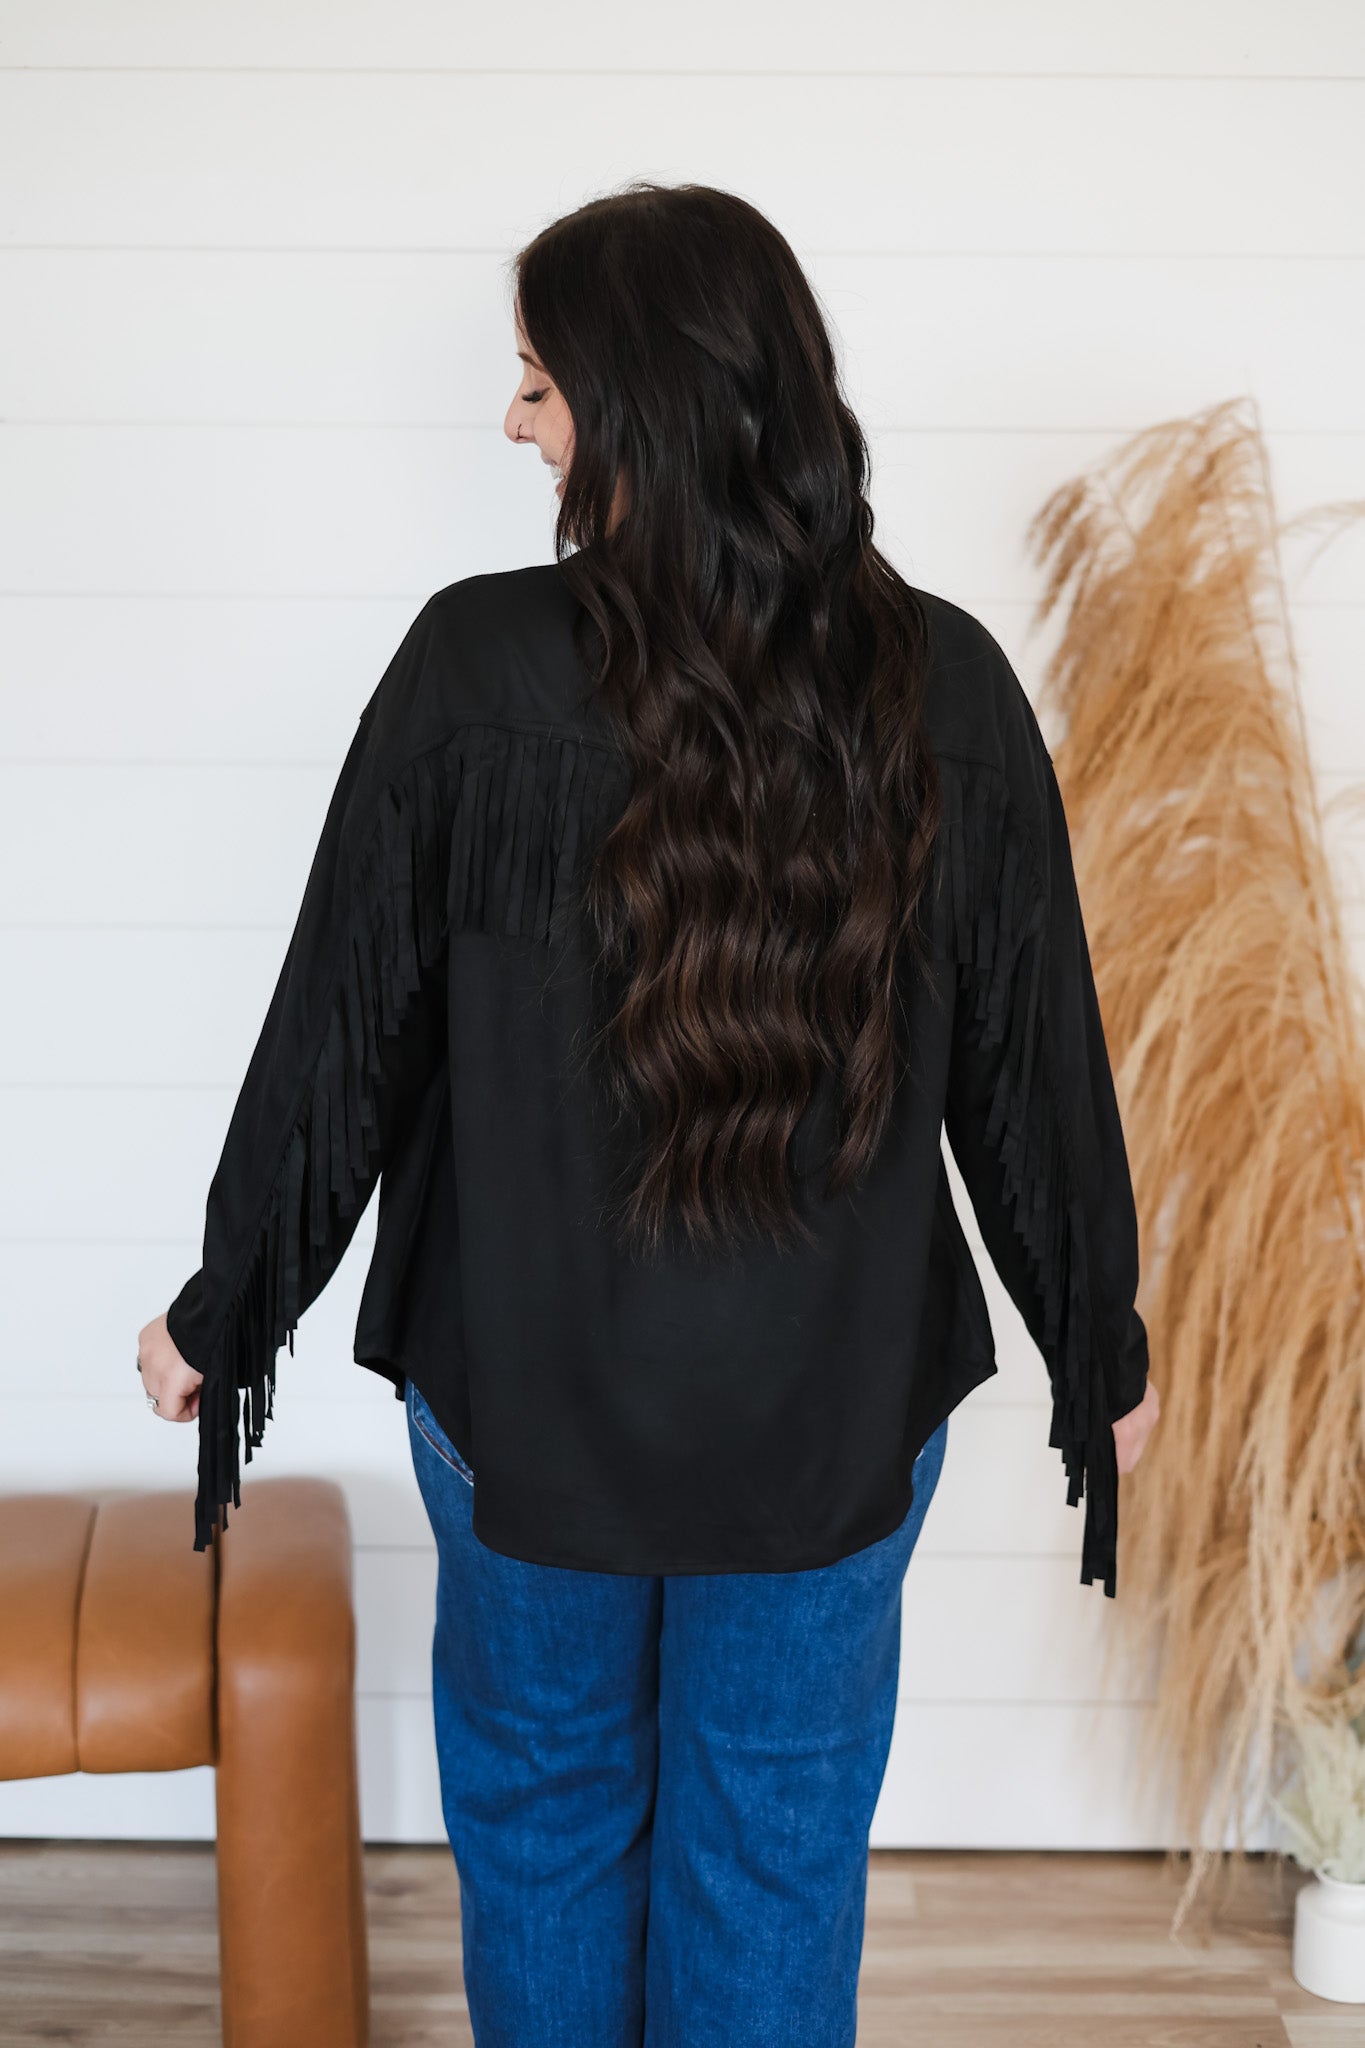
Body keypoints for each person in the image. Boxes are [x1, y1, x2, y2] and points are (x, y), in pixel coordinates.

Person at [136, 180, 1160, 2047]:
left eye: (536, 384)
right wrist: (1096, 1335)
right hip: (830, 1409)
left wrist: (231, 1304)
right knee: (770, 1853)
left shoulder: (474, 671)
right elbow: (1033, 1062)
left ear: (637, 403)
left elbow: (347, 1030)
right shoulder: (942, 685)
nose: (510, 423)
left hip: (524, 1393)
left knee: (543, 1828)